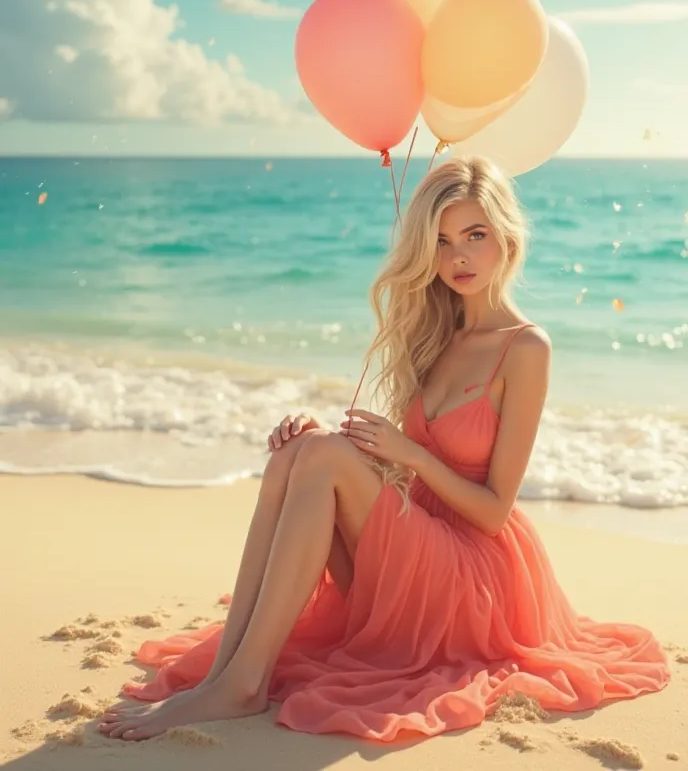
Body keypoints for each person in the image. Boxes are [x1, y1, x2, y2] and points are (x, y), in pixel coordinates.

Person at [98, 155, 670, 743]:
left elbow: (495, 510)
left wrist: (411, 455)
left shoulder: (526, 348)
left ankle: (240, 685)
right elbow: (401, 468)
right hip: (416, 539)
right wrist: (337, 440)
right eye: (442, 242)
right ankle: (226, 674)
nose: (458, 258)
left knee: (319, 456)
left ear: (507, 236)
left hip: (473, 577)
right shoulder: (439, 331)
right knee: (299, 451)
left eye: (475, 235)